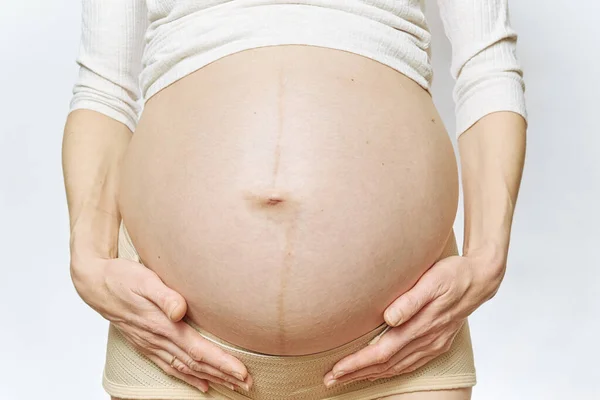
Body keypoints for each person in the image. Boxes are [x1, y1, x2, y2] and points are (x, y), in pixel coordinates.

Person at [61, 0, 527, 399]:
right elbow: (104, 88)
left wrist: (486, 260)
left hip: (406, 333)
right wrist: (89, 260)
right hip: (172, 337)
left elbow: (486, 63)